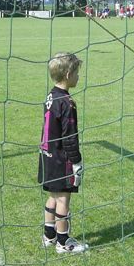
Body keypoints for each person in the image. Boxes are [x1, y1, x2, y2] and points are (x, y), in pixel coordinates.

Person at [38, 52, 88, 254]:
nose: (78, 77)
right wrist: (76, 161)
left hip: (46, 155)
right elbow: (70, 136)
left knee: (53, 196)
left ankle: (49, 235)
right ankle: (63, 242)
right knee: (63, 200)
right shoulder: (67, 102)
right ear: (68, 74)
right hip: (61, 158)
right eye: (77, 73)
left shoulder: (51, 95)